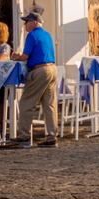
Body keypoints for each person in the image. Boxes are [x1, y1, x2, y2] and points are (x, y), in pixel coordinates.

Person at [12, 12, 57, 148]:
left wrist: (16, 56)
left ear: (35, 22)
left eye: (27, 22)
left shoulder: (32, 35)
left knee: (26, 103)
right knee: (49, 105)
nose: (25, 24)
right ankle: (51, 136)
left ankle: (24, 136)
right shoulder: (47, 35)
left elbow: (25, 56)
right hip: (52, 69)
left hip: (39, 71)